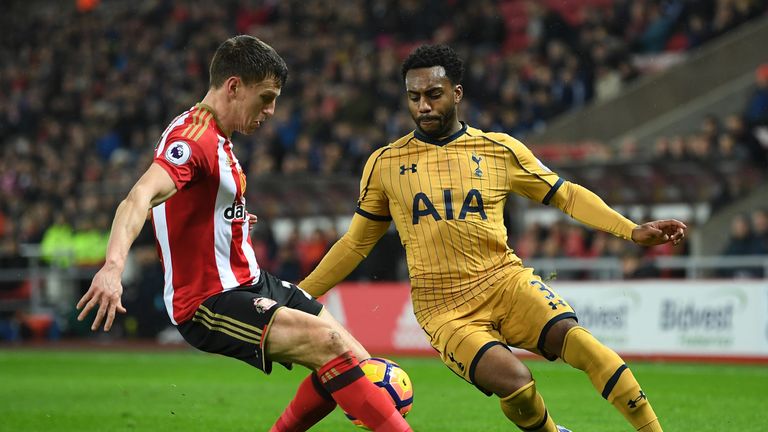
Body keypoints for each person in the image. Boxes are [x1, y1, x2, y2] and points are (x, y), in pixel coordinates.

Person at [299, 44, 687, 432]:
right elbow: (356, 243)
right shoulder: (385, 164)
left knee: (583, 344)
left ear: (456, 93)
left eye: (433, 95)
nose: (423, 107)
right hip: (444, 309)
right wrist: (298, 297)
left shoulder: (498, 150)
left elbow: (566, 194)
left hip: (505, 281)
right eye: (413, 97)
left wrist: (631, 230)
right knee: (516, 383)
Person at [75, 35, 411, 432]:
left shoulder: (220, 138)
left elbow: (197, 208)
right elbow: (138, 197)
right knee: (330, 346)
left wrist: (230, 223)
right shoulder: (194, 140)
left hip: (251, 281)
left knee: (356, 361)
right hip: (208, 301)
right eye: (265, 97)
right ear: (234, 86)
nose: (271, 111)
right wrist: (113, 267)